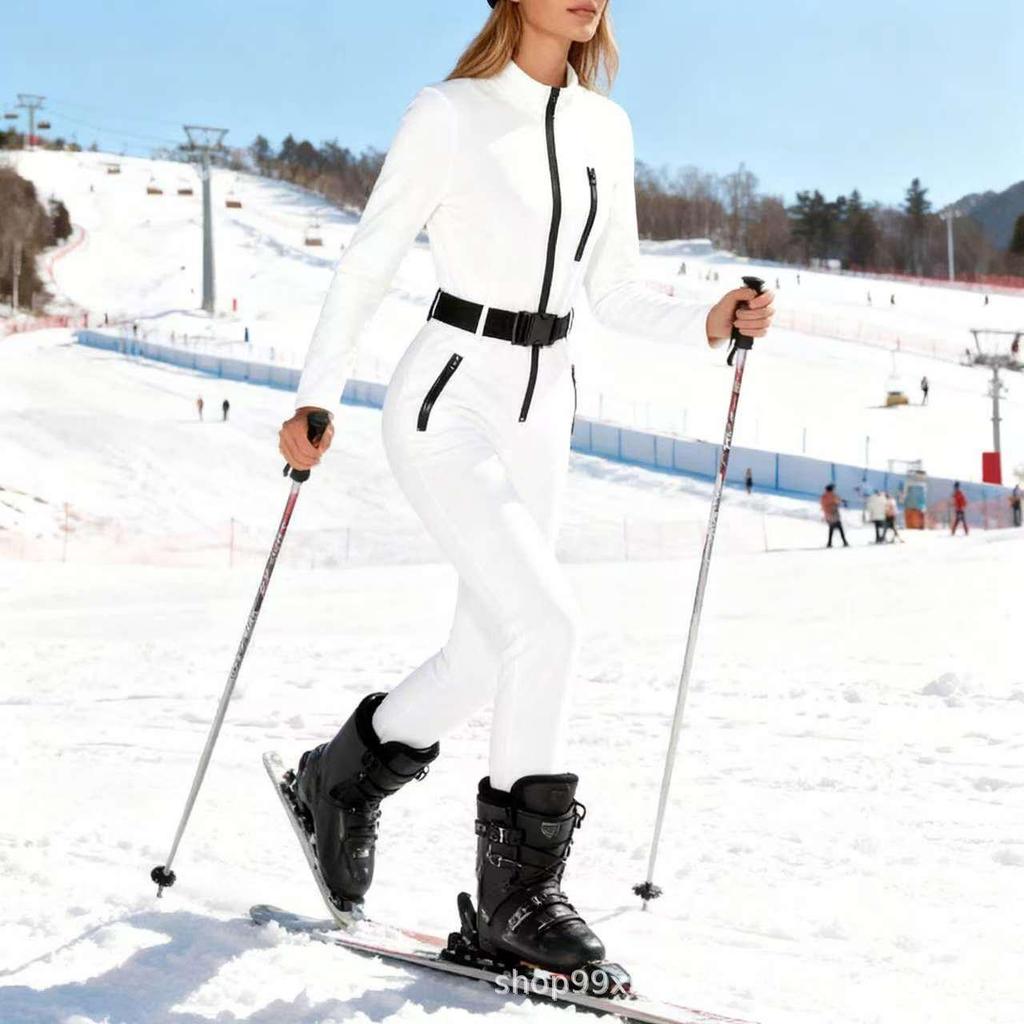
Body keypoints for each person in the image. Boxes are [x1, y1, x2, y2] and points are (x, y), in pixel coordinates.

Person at [276, 0, 776, 974]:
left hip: (544, 409)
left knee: (485, 656)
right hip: (450, 394)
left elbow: (614, 290)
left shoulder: (603, 127)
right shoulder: (450, 112)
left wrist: (711, 318)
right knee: (547, 622)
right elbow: (370, 258)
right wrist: (314, 396)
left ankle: (339, 778)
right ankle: (517, 899)